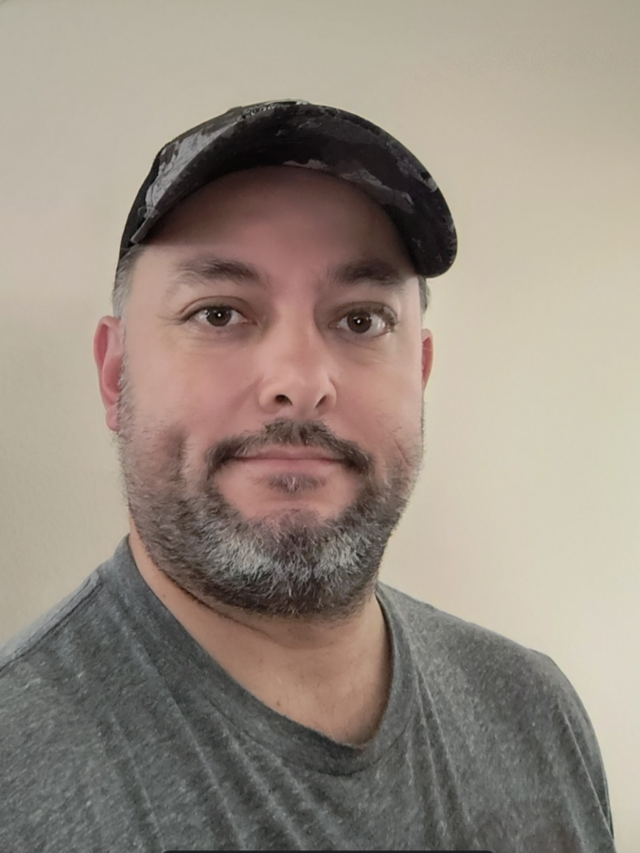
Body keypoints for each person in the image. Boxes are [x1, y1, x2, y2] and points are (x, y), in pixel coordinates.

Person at [0, 100, 616, 853]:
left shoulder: (536, 715)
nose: (299, 382)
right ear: (115, 373)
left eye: (361, 320)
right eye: (219, 314)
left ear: (420, 373)